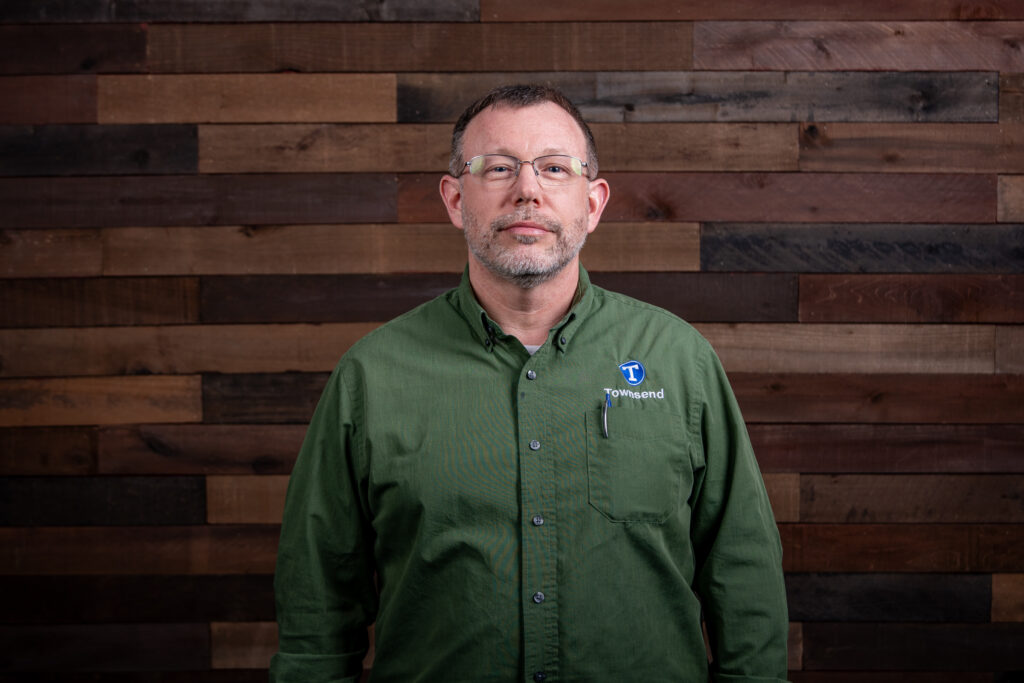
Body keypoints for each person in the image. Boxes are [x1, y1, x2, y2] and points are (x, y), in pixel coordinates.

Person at [270, 84, 789, 682]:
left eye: (553, 168)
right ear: (454, 198)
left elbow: (743, 569)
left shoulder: (679, 360)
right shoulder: (372, 375)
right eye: (497, 168)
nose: (527, 190)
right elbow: (317, 602)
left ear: (592, 204)